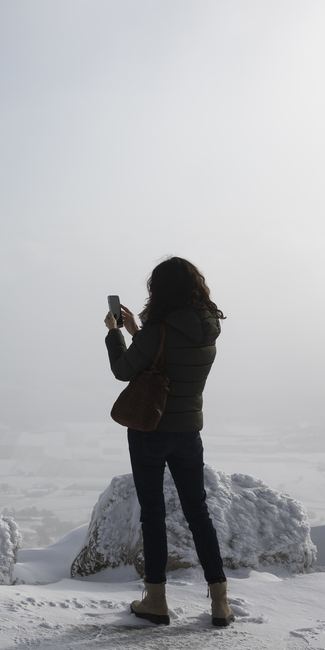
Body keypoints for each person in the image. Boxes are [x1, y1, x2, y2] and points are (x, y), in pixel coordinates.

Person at [103, 256, 232, 627]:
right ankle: (220, 602)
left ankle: (156, 601)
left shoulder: (158, 329)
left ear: (159, 290)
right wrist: (138, 329)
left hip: (149, 431)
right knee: (198, 513)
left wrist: (115, 332)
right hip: (189, 432)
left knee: (153, 514)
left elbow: (124, 369)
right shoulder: (207, 329)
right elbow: (170, 353)